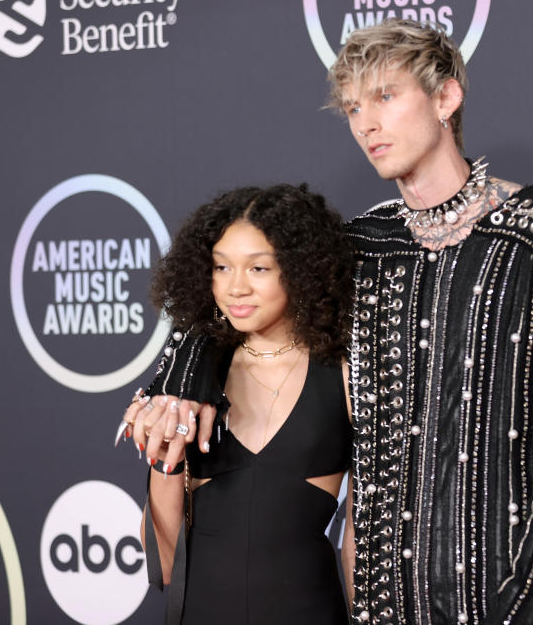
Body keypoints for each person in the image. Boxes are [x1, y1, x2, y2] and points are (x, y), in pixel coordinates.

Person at [133, 19, 533, 624]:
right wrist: (182, 382)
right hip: (382, 601)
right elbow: (237, 303)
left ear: (445, 97)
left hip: (504, 591)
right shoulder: (361, 247)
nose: (366, 123)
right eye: (354, 107)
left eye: (385, 96)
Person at [118, 184, 356, 624]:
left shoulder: (345, 374)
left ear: (302, 270)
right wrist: (164, 460)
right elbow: (164, 562)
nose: (236, 287)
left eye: (259, 268)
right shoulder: (193, 378)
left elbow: (363, 542)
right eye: (221, 267)